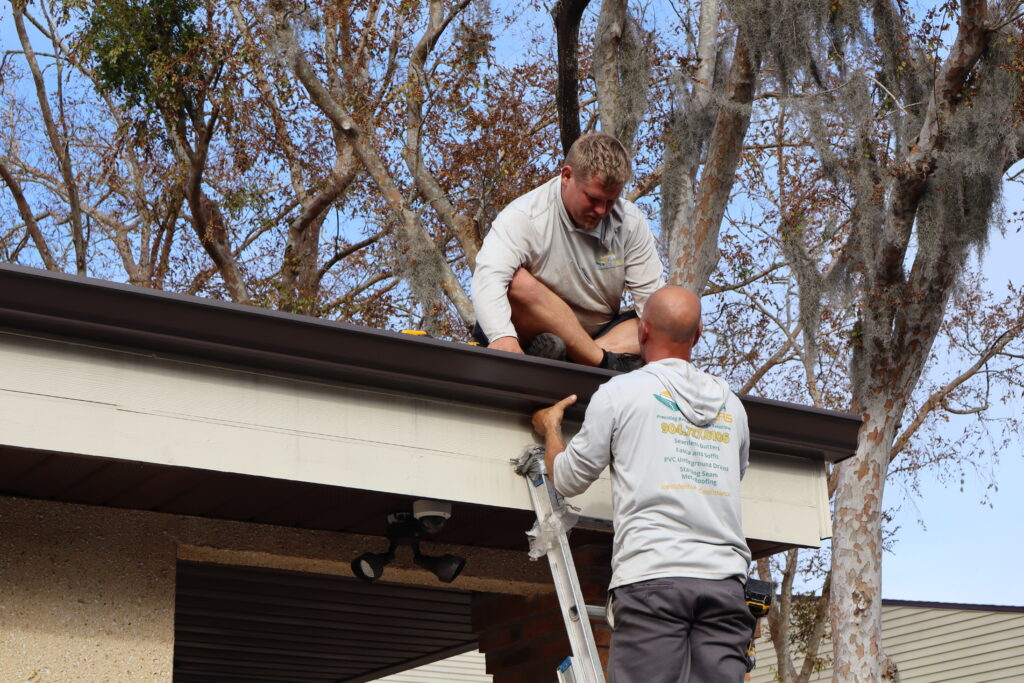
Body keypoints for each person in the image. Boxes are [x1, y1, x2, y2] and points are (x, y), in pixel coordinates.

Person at [531, 286, 754, 683]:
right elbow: (731, 476)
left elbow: (566, 478)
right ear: (698, 334)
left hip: (654, 578)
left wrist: (550, 429)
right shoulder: (732, 407)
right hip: (724, 586)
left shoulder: (621, 394)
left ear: (643, 332)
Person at [471, 133, 665, 371]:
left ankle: (579, 361)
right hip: (534, 330)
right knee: (517, 283)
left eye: (611, 201)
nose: (602, 210)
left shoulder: (630, 222)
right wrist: (502, 336)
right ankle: (596, 362)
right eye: (593, 199)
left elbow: (653, 301)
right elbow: (488, 277)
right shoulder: (524, 216)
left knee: (672, 315)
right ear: (567, 176)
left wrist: (674, 336)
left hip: (601, 335)